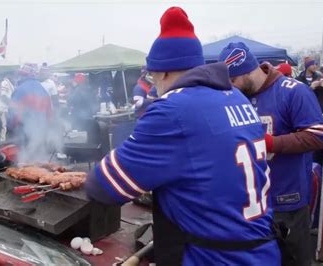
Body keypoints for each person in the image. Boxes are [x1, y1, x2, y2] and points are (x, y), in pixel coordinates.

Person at [86, 7, 280, 265]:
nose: (155, 86)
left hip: (214, 257)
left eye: (154, 77)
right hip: (262, 250)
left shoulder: (173, 110)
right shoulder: (237, 98)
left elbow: (103, 187)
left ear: (164, 72)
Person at [219, 42, 323, 266]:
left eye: (233, 80)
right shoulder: (237, 97)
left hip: (288, 199)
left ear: (247, 70)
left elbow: (318, 136)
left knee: (294, 259)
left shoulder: (293, 91)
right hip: (253, 202)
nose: (232, 87)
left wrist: (269, 142)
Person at [7, 63, 52, 160]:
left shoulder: (20, 90)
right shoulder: (43, 90)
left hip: (23, 134)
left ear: (24, 75)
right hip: (40, 133)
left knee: (21, 163)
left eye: (21, 74)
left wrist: (10, 131)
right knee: (37, 162)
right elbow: (49, 114)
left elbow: (13, 115)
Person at [0, 74, 15, 142]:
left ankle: (4, 140)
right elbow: (3, 95)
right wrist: (11, 104)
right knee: (4, 126)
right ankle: (2, 142)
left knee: (6, 125)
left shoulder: (10, 83)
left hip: (6, 108)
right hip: (3, 107)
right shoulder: (5, 83)